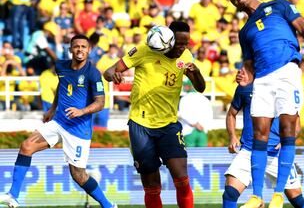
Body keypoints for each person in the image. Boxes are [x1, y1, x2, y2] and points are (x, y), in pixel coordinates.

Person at [226, 0, 304, 208]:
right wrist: (245, 76)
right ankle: (257, 196)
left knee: (288, 129)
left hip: (287, 69)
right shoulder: (244, 31)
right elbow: (249, 63)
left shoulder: (279, 5)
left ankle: (278, 194)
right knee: (260, 133)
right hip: (262, 79)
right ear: (234, 6)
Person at [0, 35, 117, 208]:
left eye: (83, 47)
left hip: (79, 129)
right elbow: (62, 87)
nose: (80, 49)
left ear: (89, 50)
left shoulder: (93, 74)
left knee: (78, 175)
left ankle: (108, 205)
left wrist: (81, 111)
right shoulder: (61, 66)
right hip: (59, 122)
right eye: (76, 46)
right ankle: (13, 195)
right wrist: (52, 109)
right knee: (26, 147)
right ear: (70, 49)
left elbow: (100, 103)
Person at [104, 21, 205, 208]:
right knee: (151, 185)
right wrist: (114, 75)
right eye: (179, 43)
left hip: (169, 124)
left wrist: (196, 72)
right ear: (168, 39)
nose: (182, 48)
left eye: (186, 43)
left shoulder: (186, 56)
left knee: (181, 177)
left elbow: (200, 88)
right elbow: (109, 71)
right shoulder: (144, 50)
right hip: (140, 125)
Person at [222, 83, 304, 208]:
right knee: (230, 193)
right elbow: (231, 113)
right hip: (249, 150)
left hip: (276, 155)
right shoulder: (246, 87)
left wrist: (287, 140)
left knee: (297, 199)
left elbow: (296, 123)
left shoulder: (285, 88)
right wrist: (232, 136)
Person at [178, 80, 213, 147]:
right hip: (202, 130)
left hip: (189, 130)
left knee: (190, 155)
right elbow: (209, 113)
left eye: (185, 85)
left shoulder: (184, 98)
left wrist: (195, 124)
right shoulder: (204, 98)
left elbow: (183, 113)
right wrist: (203, 125)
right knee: (202, 155)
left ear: (190, 86)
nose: (184, 87)